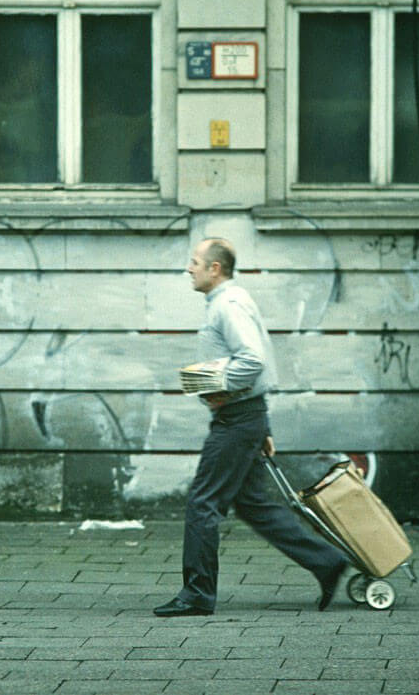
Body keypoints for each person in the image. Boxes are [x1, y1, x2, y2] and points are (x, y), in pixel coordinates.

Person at [154, 237, 348, 617]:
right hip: (247, 418)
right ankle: (326, 561)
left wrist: (221, 388)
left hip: (236, 420)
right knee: (253, 504)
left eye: (195, 262)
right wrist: (262, 425)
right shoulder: (230, 300)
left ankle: (197, 595)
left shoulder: (228, 305)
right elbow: (259, 364)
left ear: (215, 268)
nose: (189, 269)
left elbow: (253, 361)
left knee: (203, 503)